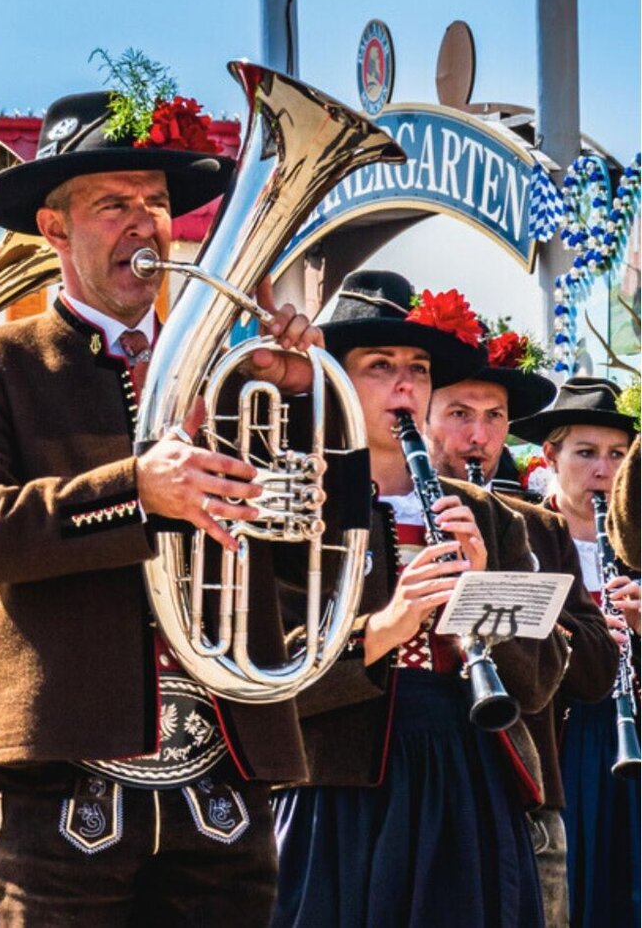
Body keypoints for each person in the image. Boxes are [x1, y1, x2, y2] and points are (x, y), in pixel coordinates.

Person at [0, 95, 320, 928]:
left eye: (157, 203)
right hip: (63, 780)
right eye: (114, 205)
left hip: (224, 773)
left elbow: (315, 539)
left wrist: (304, 398)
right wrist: (134, 489)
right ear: (54, 229)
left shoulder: (235, 369)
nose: (145, 224)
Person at [268, 272, 566, 926]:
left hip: (467, 772)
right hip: (339, 786)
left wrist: (483, 587)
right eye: (380, 366)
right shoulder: (291, 503)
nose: (405, 385)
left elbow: (540, 680)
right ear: (338, 380)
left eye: (418, 367)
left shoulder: (489, 516)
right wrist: (386, 625)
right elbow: (264, 676)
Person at [422, 324, 618, 928]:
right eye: (459, 413)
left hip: (522, 794)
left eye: (495, 416)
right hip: (409, 785)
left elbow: (594, 671)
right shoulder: (372, 509)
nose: (478, 435)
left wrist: (512, 598)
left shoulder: (540, 529)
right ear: (422, 413)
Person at [511, 377, 639, 928]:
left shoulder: (635, 543)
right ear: (550, 456)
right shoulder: (520, 534)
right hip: (560, 732)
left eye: (617, 455)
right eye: (586, 453)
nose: (603, 471)